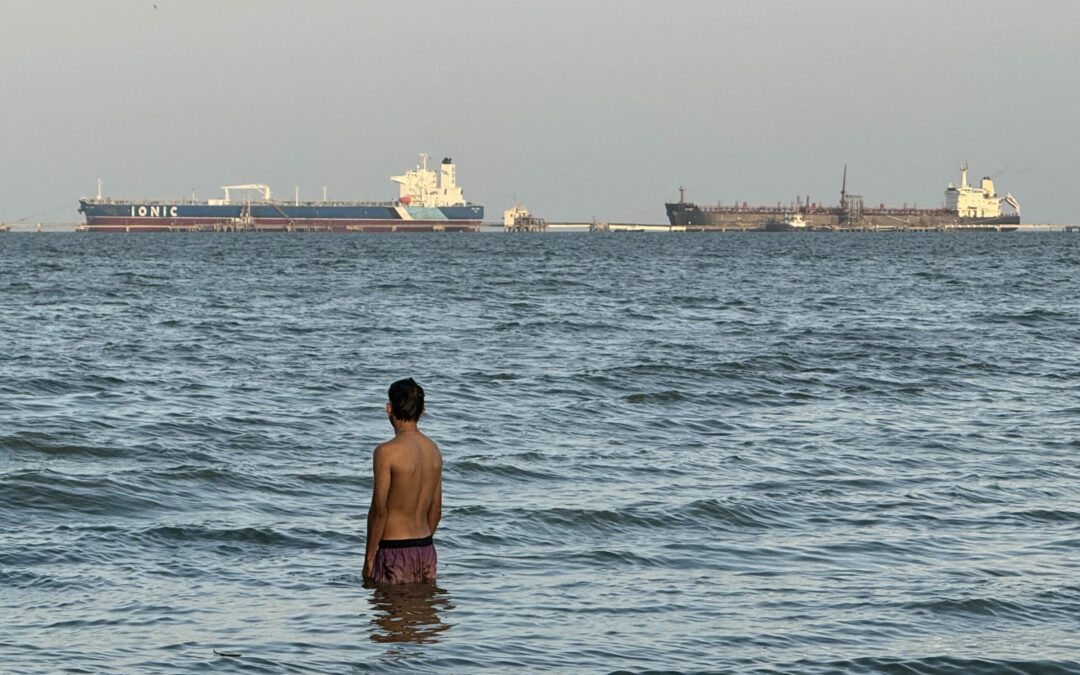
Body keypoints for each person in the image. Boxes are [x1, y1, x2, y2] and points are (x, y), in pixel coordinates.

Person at [364, 378, 442, 586]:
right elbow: (436, 511)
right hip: (426, 547)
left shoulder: (386, 453)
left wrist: (370, 558)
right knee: (422, 614)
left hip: (394, 549)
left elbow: (379, 510)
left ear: (389, 408)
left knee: (389, 614)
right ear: (422, 411)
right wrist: (419, 546)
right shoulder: (433, 450)